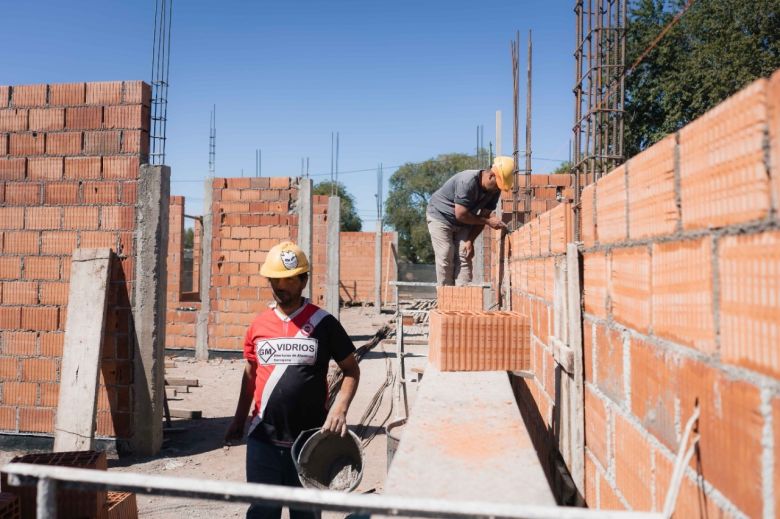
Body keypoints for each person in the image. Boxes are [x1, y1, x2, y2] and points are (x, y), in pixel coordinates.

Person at [225, 241, 360, 519]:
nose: (279, 286)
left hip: (310, 442)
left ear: (303, 280)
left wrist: (340, 408)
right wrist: (239, 420)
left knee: (306, 514)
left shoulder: (324, 323)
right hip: (264, 438)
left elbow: (351, 369)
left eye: (287, 279)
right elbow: (250, 373)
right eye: (274, 279)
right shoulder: (258, 325)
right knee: (263, 512)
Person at [426, 156, 514, 285]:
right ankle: (446, 297)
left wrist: (470, 241)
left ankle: (463, 296)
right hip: (440, 217)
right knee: (445, 254)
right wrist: (488, 222)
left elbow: (483, 216)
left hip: (464, 220)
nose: (497, 189)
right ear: (491, 176)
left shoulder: (494, 191)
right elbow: (461, 215)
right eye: (497, 185)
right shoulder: (467, 181)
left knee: (464, 254)